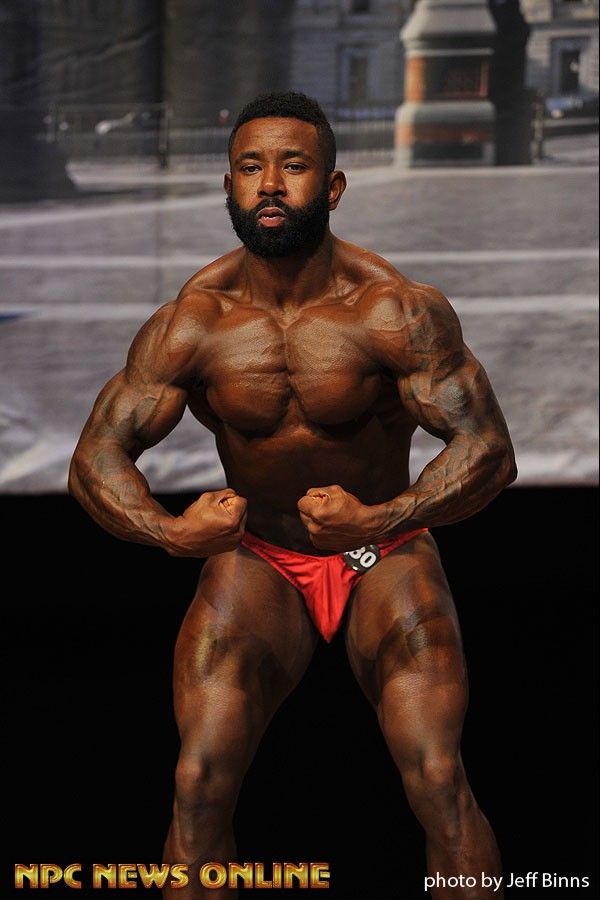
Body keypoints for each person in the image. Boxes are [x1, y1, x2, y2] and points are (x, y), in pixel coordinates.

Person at [69, 91, 517, 898]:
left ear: (332, 186)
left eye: (294, 166)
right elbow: (96, 455)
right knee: (197, 783)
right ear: (229, 185)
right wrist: (170, 533)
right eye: (251, 168)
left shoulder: (393, 310)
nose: (270, 184)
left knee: (438, 778)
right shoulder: (193, 322)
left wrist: (384, 517)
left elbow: (489, 449)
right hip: (262, 556)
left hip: (380, 549)